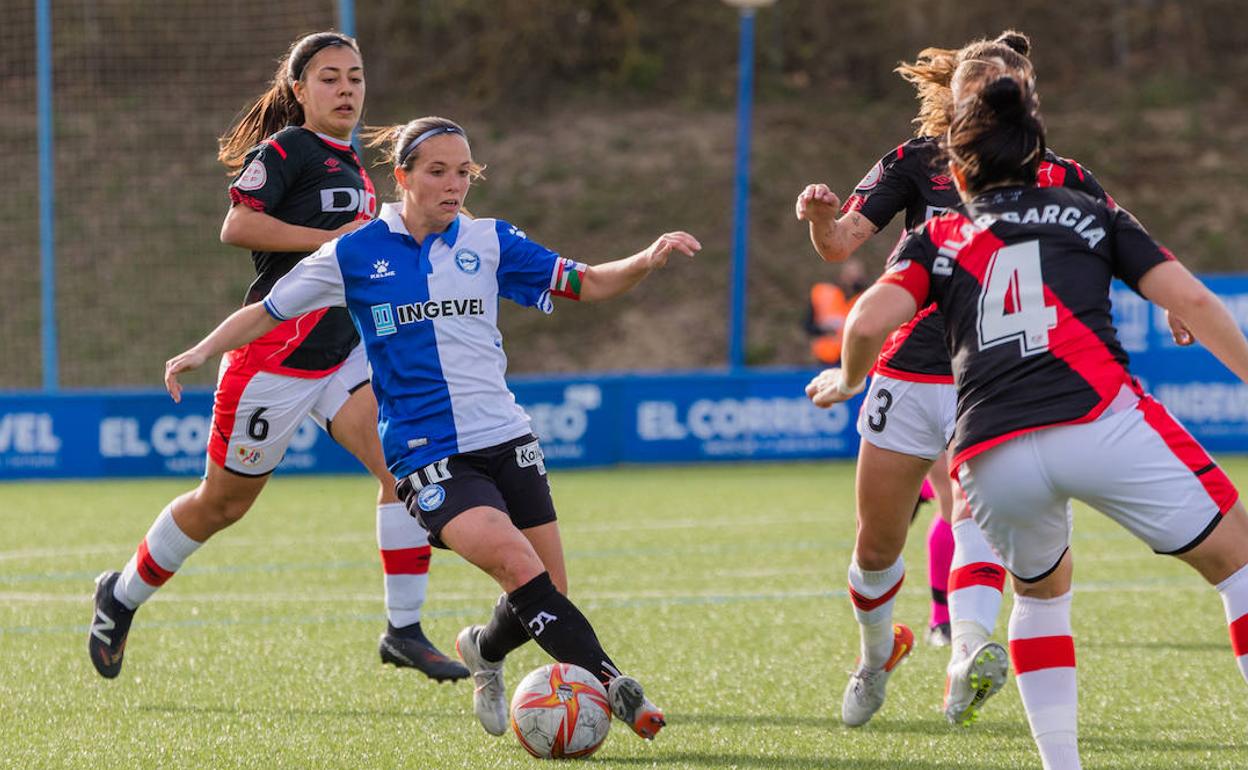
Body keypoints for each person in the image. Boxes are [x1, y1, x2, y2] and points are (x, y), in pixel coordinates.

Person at [161, 115, 699, 741]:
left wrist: (647, 259)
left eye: (464, 173)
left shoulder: (491, 241)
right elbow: (267, 310)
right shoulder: (356, 250)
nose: (454, 185)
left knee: (545, 592)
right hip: (427, 452)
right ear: (404, 176)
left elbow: (586, 281)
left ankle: (485, 653)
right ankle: (617, 687)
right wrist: (199, 352)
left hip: (506, 437)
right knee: (520, 570)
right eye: (438, 171)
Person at [807, 70, 1248, 770]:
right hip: (1096, 419)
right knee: (1239, 562)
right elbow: (1192, 300)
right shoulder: (1084, 207)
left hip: (989, 451)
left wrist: (848, 378)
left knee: (1040, 597)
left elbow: (863, 318)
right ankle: (934, 646)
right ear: (1038, 150)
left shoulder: (943, 233)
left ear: (956, 167)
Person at [87, 31, 468, 683]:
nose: (346, 88)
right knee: (222, 505)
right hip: (273, 358)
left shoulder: (354, 167)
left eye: (355, 76)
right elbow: (237, 225)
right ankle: (118, 596)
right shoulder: (288, 150)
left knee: (406, 467)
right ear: (299, 90)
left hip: (340, 355)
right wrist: (332, 240)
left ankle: (403, 630)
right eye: (329, 77)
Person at [794, 31, 1112, 727]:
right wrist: (822, 221)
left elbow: (1122, 240)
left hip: (996, 380)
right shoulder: (918, 164)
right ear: (960, 96)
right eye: (990, 90)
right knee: (876, 547)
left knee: (970, 516)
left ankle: (966, 653)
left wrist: (1172, 306)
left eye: (1017, 91)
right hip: (906, 376)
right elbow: (843, 243)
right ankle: (877, 654)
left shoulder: (1059, 174)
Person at [806, 258, 869, 366]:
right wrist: (824, 330)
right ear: (842, 276)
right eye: (850, 275)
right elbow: (808, 326)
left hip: (855, 359)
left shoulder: (868, 298)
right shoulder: (825, 294)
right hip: (825, 359)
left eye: (857, 275)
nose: (853, 279)